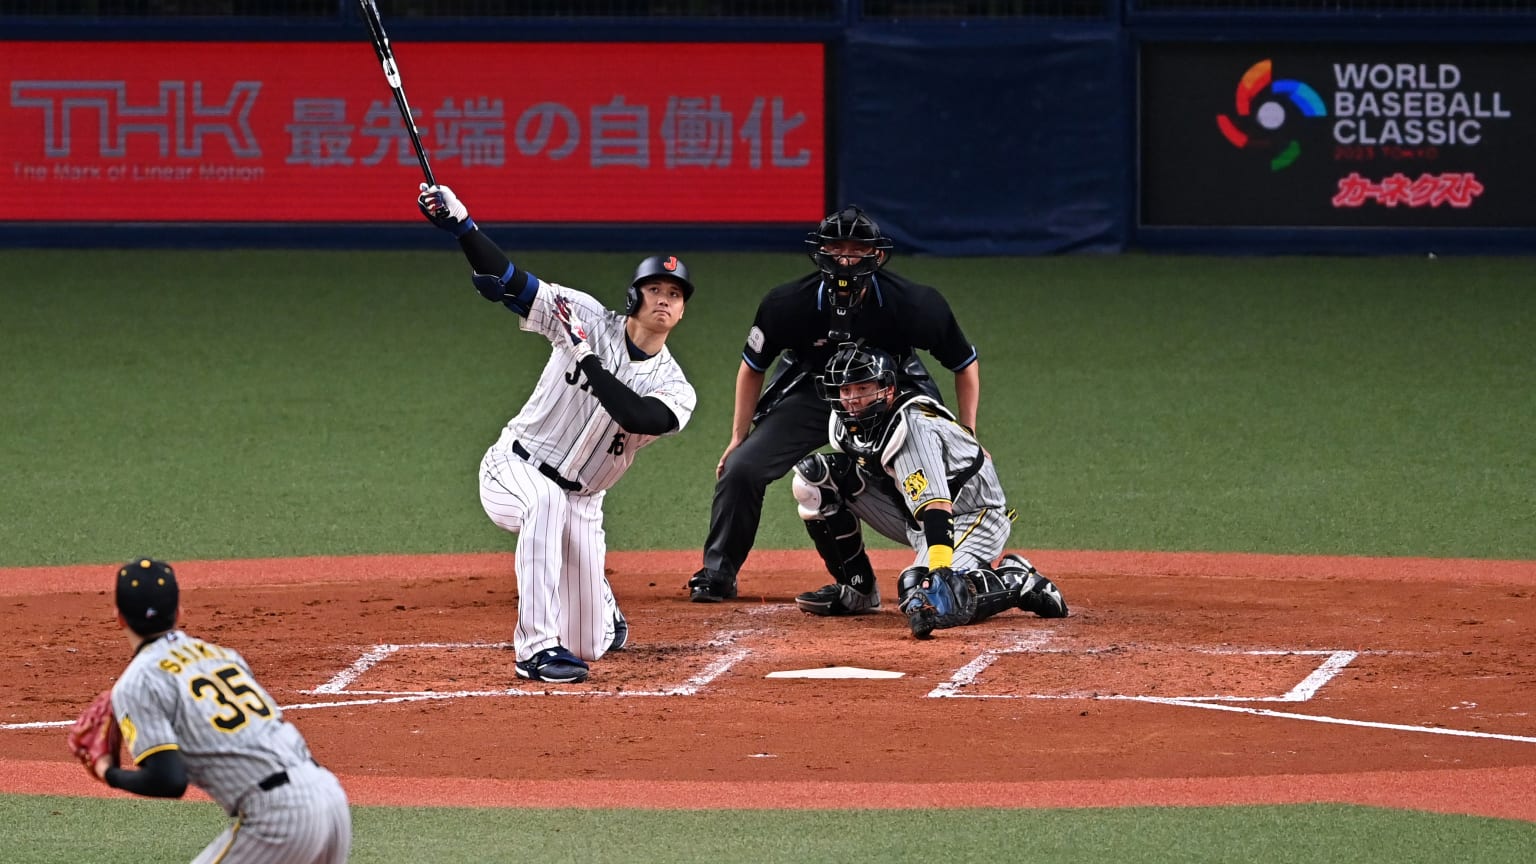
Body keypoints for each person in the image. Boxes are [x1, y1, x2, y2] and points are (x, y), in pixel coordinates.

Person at [418, 182, 697, 683]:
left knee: (591, 643)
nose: (664, 299)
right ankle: (536, 649)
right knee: (543, 502)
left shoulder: (676, 387)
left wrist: (585, 357)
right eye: (655, 288)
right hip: (516, 467)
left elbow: (635, 416)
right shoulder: (583, 314)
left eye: (674, 295)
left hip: (585, 504)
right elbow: (508, 279)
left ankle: (600, 607)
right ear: (635, 294)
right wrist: (463, 226)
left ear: (681, 312)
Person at [688, 205, 979, 602]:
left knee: (943, 471)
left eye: (856, 249)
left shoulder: (914, 304)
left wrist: (966, 433)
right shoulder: (787, 303)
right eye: (836, 247)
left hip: (890, 393)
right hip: (813, 390)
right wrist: (738, 436)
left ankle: (960, 565)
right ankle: (718, 573)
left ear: (876, 254)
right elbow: (751, 367)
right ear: (820, 251)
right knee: (742, 468)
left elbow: (965, 364)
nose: (845, 258)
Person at [84, 557, 352, 862]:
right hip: (329, 797)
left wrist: (108, 772)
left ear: (118, 617)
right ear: (179, 613)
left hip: (281, 815)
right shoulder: (223, 656)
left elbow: (168, 781)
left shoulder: (138, 680)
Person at [790, 344, 1068, 638]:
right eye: (845, 391)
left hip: (971, 516)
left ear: (886, 390)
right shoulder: (845, 424)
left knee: (925, 594)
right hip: (911, 515)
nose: (852, 400)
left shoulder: (911, 429)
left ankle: (1015, 580)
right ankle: (857, 589)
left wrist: (939, 569)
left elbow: (936, 507)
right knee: (812, 481)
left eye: (862, 388)